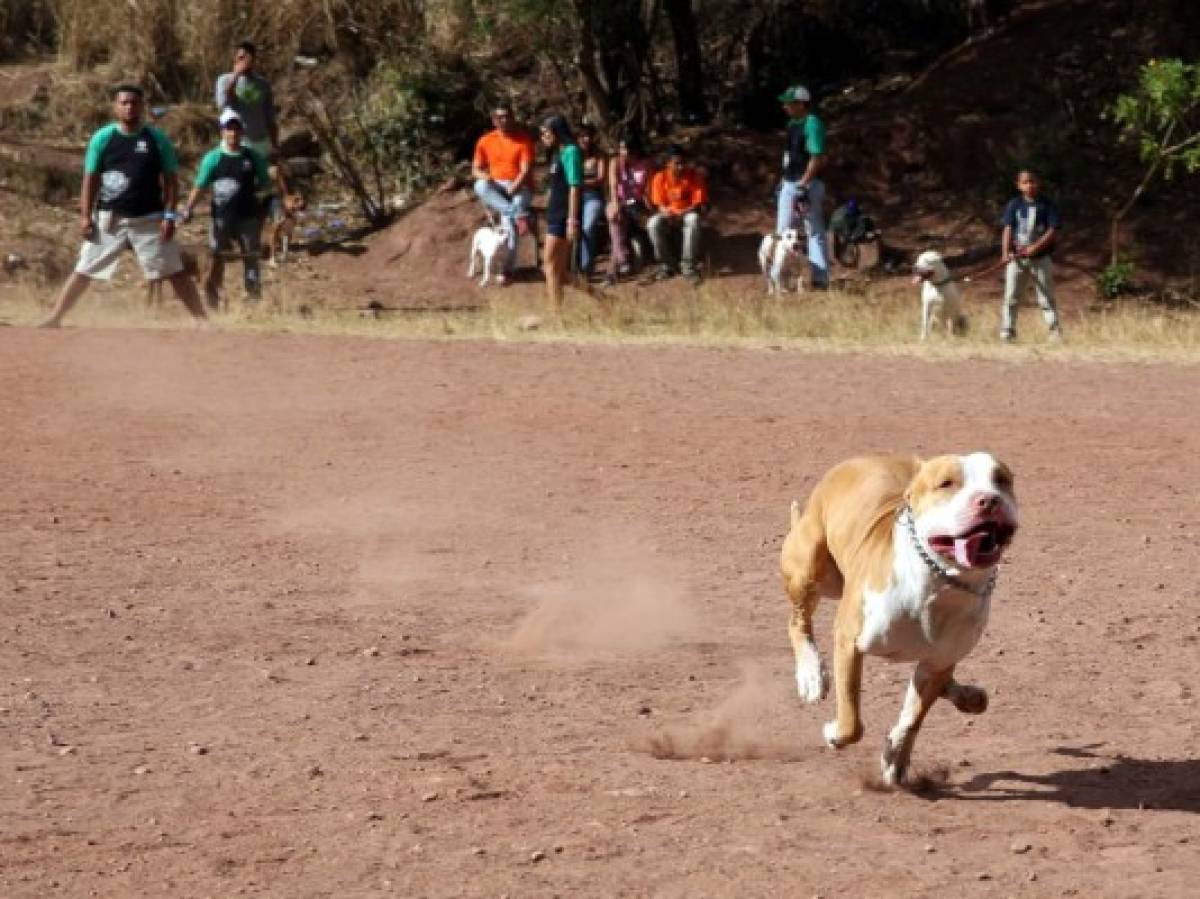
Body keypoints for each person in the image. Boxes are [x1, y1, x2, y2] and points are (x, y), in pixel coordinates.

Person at [37, 84, 208, 328]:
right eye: (124, 103)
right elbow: (90, 179)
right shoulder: (103, 138)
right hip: (110, 217)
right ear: (116, 107)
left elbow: (171, 181)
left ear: (142, 107)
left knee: (174, 270)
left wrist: (170, 216)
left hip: (149, 218)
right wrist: (85, 216)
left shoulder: (156, 140)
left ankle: (201, 320)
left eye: (134, 103)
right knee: (84, 268)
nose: (129, 107)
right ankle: (55, 317)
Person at [181, 109, 271, 307]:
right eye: (229, 129)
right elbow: (200, 186)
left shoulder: (252, 157)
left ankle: (253, 300)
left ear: (242, 132)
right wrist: (188, 208)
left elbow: (266, 185)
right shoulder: (213, 158)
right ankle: (213, 299)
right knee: (215, 259)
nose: (233, 134)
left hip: (247, 217)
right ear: (222, 131)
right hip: (221, 218)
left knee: (251, 257)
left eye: (237, 129)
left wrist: (267, 210)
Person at [472, 104, 536, 285]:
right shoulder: (485, 140)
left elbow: (525, 171)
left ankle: (507, 269)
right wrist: (486, 177)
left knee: (508, 223)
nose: (504, 120)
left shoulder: (523, 140)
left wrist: (513, 187)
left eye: (507, 116)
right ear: (494, 120)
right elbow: (475, 170)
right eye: (499, 117)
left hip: (521, 186)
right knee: (479, 185)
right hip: (497, 185)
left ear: (513, 117)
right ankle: (518, 214)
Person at [1000, 169, 1064, 343]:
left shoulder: (1047, 204)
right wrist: (1005, 253)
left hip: (1040, 258)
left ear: (1039, 183)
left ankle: (1054, 332)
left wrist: (1036, 247)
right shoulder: (1014, 205)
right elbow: (1008, 228)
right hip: (1017, 258)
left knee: (1046, 296)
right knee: (1011, 296)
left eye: (1033, 181)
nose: (1030, 185)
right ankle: (1008, 331)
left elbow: (1053, 230)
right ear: (1019, 185)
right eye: (1025, 182)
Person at [776, 85, 830, 288]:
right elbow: (789, 155)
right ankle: (782, 278)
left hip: (808, 185)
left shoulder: (812, 124)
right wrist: (784, 179)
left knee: (813, 230)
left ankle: (820, 279)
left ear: (801, 104)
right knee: (783, 232)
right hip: (790, 182)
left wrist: (804, 183)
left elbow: (816, 157)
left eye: (789, 103)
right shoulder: (792, 124)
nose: (785, 106)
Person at [538, 114, 582, 312]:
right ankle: (603, 299)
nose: (543, 137)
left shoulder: (571, 151)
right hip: (554, 211)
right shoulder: (557, 153)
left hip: (564, 214)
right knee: (560, 273)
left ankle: (556, 313)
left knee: (549, 265)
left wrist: (572, 220)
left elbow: (574, 186)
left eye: (546, 133)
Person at [647, 144, 708, 284]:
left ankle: (688, 267)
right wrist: (666, 212)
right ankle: (667, 265)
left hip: (687, 213)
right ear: (668, 163)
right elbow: (659, 204)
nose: (681, 167)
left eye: (682, 163)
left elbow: (697, 204)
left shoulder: (693, 175)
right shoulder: (659, 177)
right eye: (677, 163)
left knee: (693, 219)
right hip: (668, 215)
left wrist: (682, 212)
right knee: (652, 224)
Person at [604, 129, 654, 287]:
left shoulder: (646, 164)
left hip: (638, 203)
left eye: (627, 149)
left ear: (635, 149)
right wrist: (616, 203)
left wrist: (649, 207)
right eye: (621, 148)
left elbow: (648, 189)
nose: (624, 152)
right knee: (614, 216)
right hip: (620, 201)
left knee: (618, 231)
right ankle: (623, 259)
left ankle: (612, 272)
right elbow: (613, 186)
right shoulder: (615, 163)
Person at [215, 41, 279, 160]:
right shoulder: (224, 80)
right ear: (235, 58)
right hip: (237, 140)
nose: (244, 61)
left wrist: (275, 145)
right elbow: (224, 103)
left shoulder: (262, 84)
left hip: (260, 141)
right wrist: (236, 76)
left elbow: (270, 117)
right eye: (240, 57)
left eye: (247, 58)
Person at [575, 123, 607, 277]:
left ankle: (586, 268)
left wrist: (581, 183)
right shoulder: (573, 154)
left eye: (588, 136)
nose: (585, 139)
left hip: (593, 196)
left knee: (587, 227)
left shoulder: (599, 155)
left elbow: (600, 178)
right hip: (573, 196)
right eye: (582, 136)